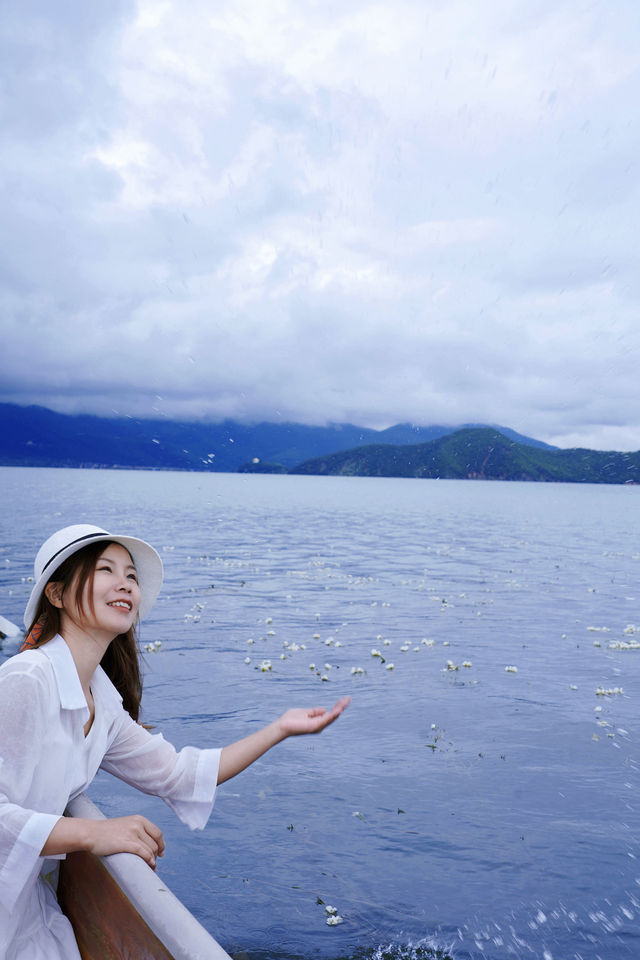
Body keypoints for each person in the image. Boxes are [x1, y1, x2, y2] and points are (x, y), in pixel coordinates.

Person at [0, 524, 350, 960]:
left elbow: (180, 775)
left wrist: (278, 729)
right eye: (106, 569)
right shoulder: (28, 678)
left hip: (25, 907)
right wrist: (94, 833)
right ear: (56, 594)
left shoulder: (101, 702)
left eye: (131, 574)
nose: (125, 582)